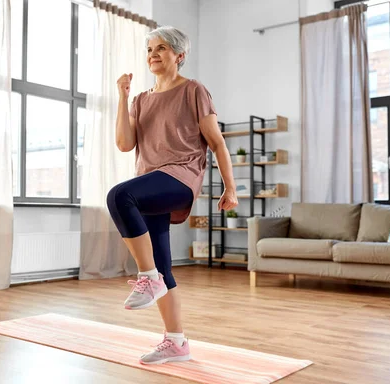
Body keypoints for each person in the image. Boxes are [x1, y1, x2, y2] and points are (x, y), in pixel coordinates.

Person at [106, 25, 239, 365]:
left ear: (179, 56)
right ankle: (176, 342)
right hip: (150, 185)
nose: (153, 53)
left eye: (162, 48)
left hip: (180, 177)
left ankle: (147, 278)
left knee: (119, 197)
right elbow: (125, 144)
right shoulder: (141, 100)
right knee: (164, 264)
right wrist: (122, 97)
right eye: (150, 48)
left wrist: (230, 188)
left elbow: (217, 142)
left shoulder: (193, 90)